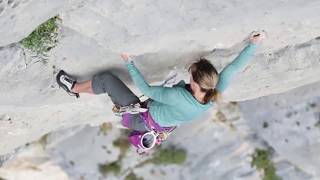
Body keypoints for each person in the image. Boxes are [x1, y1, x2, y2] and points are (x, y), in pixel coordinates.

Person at [56, 31, 265, 132]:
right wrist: (254, 44)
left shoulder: (177, 96)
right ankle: (80, 88)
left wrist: (129, 61)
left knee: (106, 80)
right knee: (112, 85)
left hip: (140, 120)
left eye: (190, 71)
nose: (188, 70)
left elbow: (145, 88)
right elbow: (234, 68)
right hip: (160, 122)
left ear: (193, 82)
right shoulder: (213, 89)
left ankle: (72, 87)